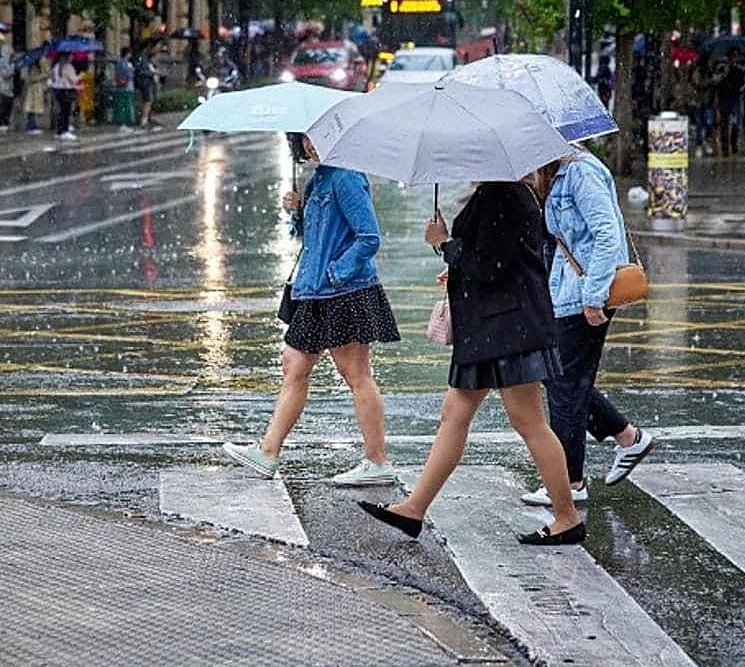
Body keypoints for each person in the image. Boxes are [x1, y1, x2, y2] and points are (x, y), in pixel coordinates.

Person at [358, 181, 586, 546]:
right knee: (454, 415)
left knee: (528, 421)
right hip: (487, 327)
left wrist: (444, 244)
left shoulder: (503, 193)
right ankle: (413, 509)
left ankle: (567, 517)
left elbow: (490, 266)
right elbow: (498, 258)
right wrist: (456, 263)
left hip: (509, 327)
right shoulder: (498, 191)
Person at [223, 133, 400, 487]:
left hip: (343, 291)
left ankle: (377, 460)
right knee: (294, 365)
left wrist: (337, 272)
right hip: (314, 292)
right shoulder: (320, 177)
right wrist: (298, 212)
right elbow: (318, 236)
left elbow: (369, 237)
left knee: (356, 374)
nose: (311, 144)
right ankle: (268, 451)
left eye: (318, 136)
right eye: (305, 138)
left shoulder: (346, 176)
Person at [518, 150, 655, 509]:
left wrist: (593, 297)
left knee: (565, 386)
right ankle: (628, 437)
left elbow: (608, 235)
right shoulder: (556, 174)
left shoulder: (580, 173)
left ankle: (570, 482)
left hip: (586, 294)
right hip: (566, 293)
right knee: (562, 380)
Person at [48, 52, 78, 141]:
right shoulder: (68, 66)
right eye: (71, 56)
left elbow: (53, 79)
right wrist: (80, 76)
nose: (72, 57)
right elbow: (74, 80)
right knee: (66, 112)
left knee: (61, 112)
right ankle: (65, 131)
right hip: (67, 91)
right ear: (68, 57)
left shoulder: (56, 66)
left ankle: (59, 131)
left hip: (58, 91)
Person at [134, 49, 159, 129]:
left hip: (150, 86)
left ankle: (146, 118)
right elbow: (144, 73)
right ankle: (144, 120)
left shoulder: (151, 65)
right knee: (147, 102)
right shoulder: (146, 64)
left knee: (148, 102)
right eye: (155, 58)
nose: (156, 60)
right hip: (146, 86)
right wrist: (153, 73)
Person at [0, 45, 15, 132]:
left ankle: (6, 122)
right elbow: (5, 74)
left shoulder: (9, 63)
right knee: (3, 106)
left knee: (8, 106)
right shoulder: (2, 63)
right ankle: (1, 123)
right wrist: (12, 69)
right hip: (2, 88)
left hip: (9, 89)